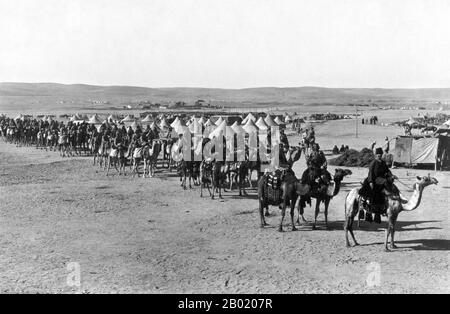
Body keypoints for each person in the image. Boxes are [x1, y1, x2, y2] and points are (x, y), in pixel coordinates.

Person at [360, 147, 396, 223]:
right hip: (375, 179)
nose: (379, 155)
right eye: (378, 154)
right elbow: (370, 173)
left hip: (381, 178)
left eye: (380, 154)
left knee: (389, 181)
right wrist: (370, 182)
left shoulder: (383, 163)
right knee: (385, 182)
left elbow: (387, 171)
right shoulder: (373, 163)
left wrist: (392, 175)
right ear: (376, 155)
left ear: (382, 154)